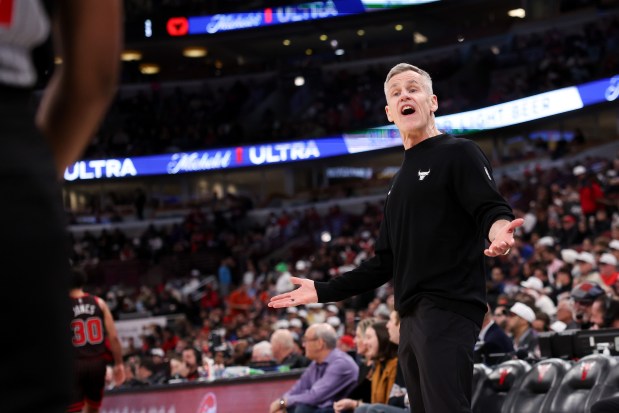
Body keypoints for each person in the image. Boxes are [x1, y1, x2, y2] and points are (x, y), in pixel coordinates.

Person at [269, 63, 524, 413]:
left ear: (432, 101)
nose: (405, 94)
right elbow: (383, 262)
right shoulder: (398, 182)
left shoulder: (459, 152)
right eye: (396, 92)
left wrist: (500, 233)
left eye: (413, 88)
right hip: (410, 316)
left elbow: (490, 209)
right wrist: (323, 290)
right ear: (390, 113)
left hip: (448, 306)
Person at [0, 1, 121, 412]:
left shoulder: (87, 303)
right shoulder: (97, 304)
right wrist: (32, 179)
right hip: (11, 154)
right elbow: (94, 74)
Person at [68, 268, 125, 412]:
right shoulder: (99, 302)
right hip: (97, 364)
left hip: (74, 364)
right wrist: (119, 363)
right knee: (93, 408)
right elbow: (113, 337)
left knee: (72, 409)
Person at [269, 323, 359, 413]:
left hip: (339, 410)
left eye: (306, 340)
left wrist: (283, 402)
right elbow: (297, 389)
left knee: (302, 409)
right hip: (322, 409)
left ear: (320, 343)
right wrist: (281, 404)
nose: (303, 345)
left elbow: (315, 396)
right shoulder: (316, 363)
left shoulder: (341, 363)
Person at [334, 320, 398, 412]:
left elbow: (386, 406)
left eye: (368, 337)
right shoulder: (376, 366)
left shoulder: (396, 366)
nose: (364, 343)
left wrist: (355, 404)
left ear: (382, 338)